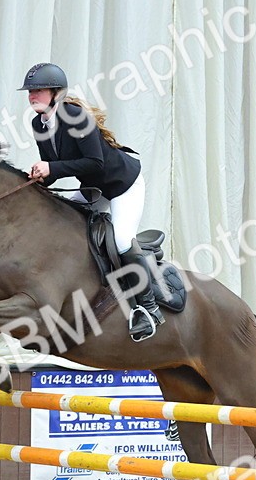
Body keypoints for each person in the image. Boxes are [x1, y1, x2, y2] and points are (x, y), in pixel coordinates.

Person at [19, 62, 164, 342]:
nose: (32, 96)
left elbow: (94, 162)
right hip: (93, 187)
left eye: (38, 90)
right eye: (30, 91)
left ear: (56, 93)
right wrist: (41, 176)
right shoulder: (39, 123)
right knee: (61, 222)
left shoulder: (75, 116)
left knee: (121, 239)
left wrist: (52, 168)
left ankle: (149, 308)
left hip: (122, 185)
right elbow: (58, 164)